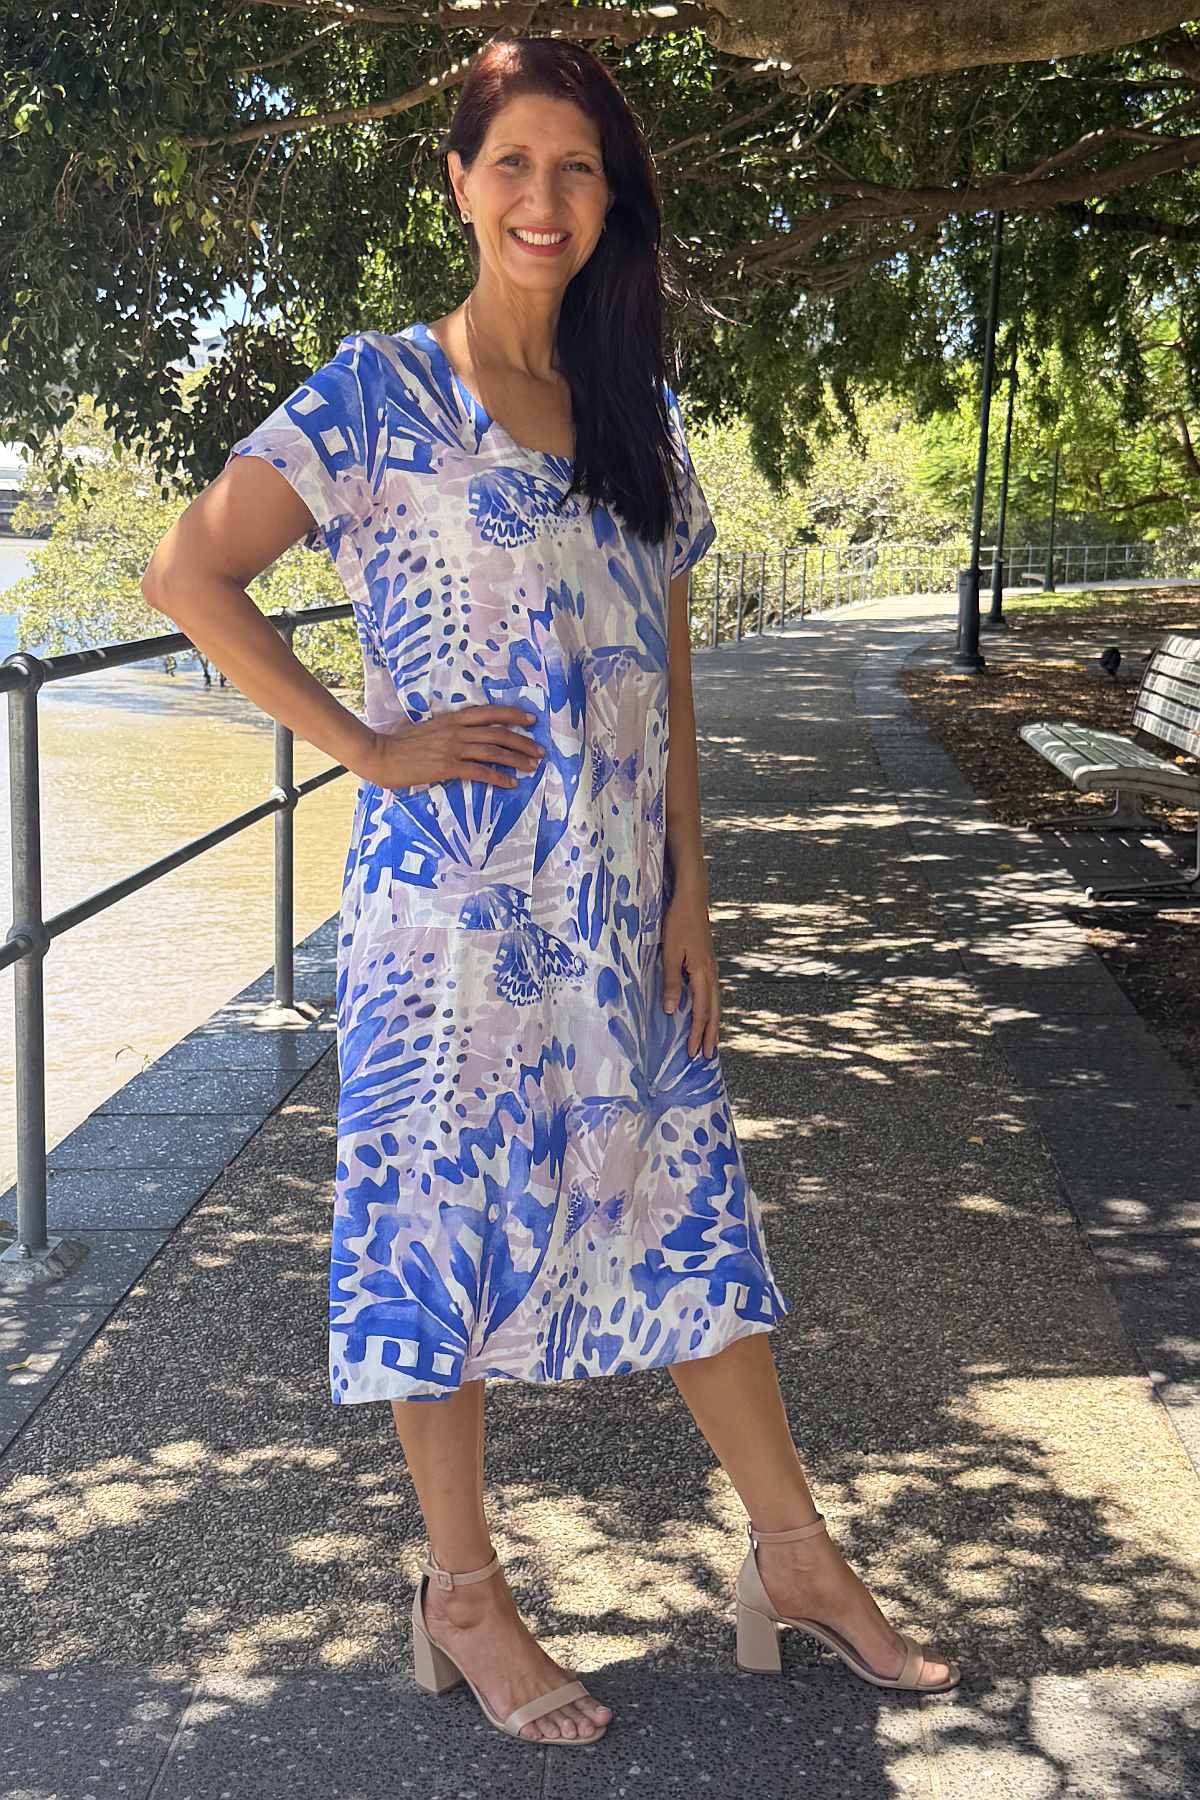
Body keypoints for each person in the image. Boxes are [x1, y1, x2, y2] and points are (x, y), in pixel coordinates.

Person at [142, 33, 960, 1751]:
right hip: (446, 919)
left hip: (614, 911)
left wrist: (690, 896)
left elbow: (668, 676)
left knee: (689, 1215)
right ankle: (462, 1593)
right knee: (432, 1239)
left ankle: (796, 1559)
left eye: (577, 166)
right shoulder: (377, 392)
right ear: (458, 183)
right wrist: (367, 747)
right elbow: (188, 572)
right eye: (512, 161)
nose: (543, 196)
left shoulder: (633, 410)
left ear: (610, 199)